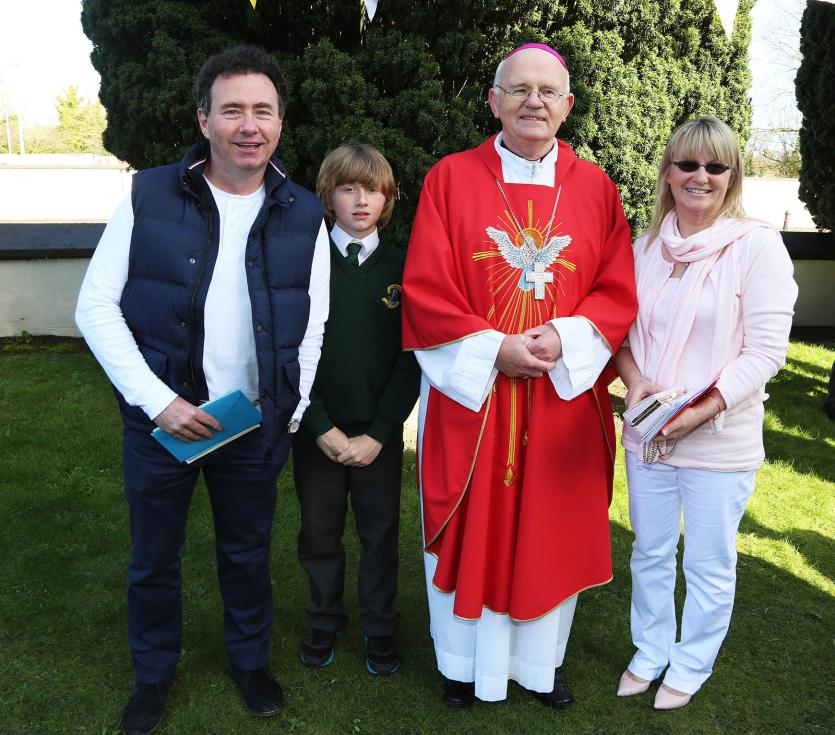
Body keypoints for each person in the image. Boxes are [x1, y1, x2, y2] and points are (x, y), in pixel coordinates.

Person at [75, 45, 330, 735]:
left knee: (246, 553)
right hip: (163, 422)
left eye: (263, 110)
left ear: (280, 121)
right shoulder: (149, 195)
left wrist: (290, 410)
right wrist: (158, 400)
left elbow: (314, 324)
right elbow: (94, 307)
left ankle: (249, 662)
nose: (249, 125)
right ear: (204, 117)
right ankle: (153, 674)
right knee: (152, 559)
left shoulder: (304, 213)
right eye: (232, 110)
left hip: (251, 424)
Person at [401, 43, 638, 708]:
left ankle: (540, 665)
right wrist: (493, 349)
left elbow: (617, 288)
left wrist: (564, 337)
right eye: (518, 89)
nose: (532, 101)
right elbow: (424, 286)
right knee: (472, 518)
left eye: (547, 91)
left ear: (566, 105)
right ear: (494, 101)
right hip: (473, 395)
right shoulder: (450, 178)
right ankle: (461, 664)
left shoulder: (596, 188)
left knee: (549, 528)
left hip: (562, 395)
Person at [613, 116, 797, 710]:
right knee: (650, 550)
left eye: (715, 166)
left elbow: (766, 352)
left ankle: (691, 663)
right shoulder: (644, 246)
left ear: (732, 176)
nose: (700, 176)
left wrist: (702, 409)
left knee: (710, 560)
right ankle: (650, 649)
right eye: (687, 164)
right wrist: (637, 382)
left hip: (718, 436)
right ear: (667, 173)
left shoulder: (757, 245)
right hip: (651, 435)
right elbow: (622, 331)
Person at [292, 144, 420, 676]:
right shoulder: (305, 263)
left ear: (387, 200)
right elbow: (289, 351)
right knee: (318, 531)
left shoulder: (404, 268)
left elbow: (411, 358)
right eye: (348, 188)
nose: (361, 200)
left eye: (373, 190)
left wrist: (382, 431)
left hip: (377, 436)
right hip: (316, 431)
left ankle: (379, 624)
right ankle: (324, 616)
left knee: (379, 534)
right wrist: (318, 424)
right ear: (329, 196)